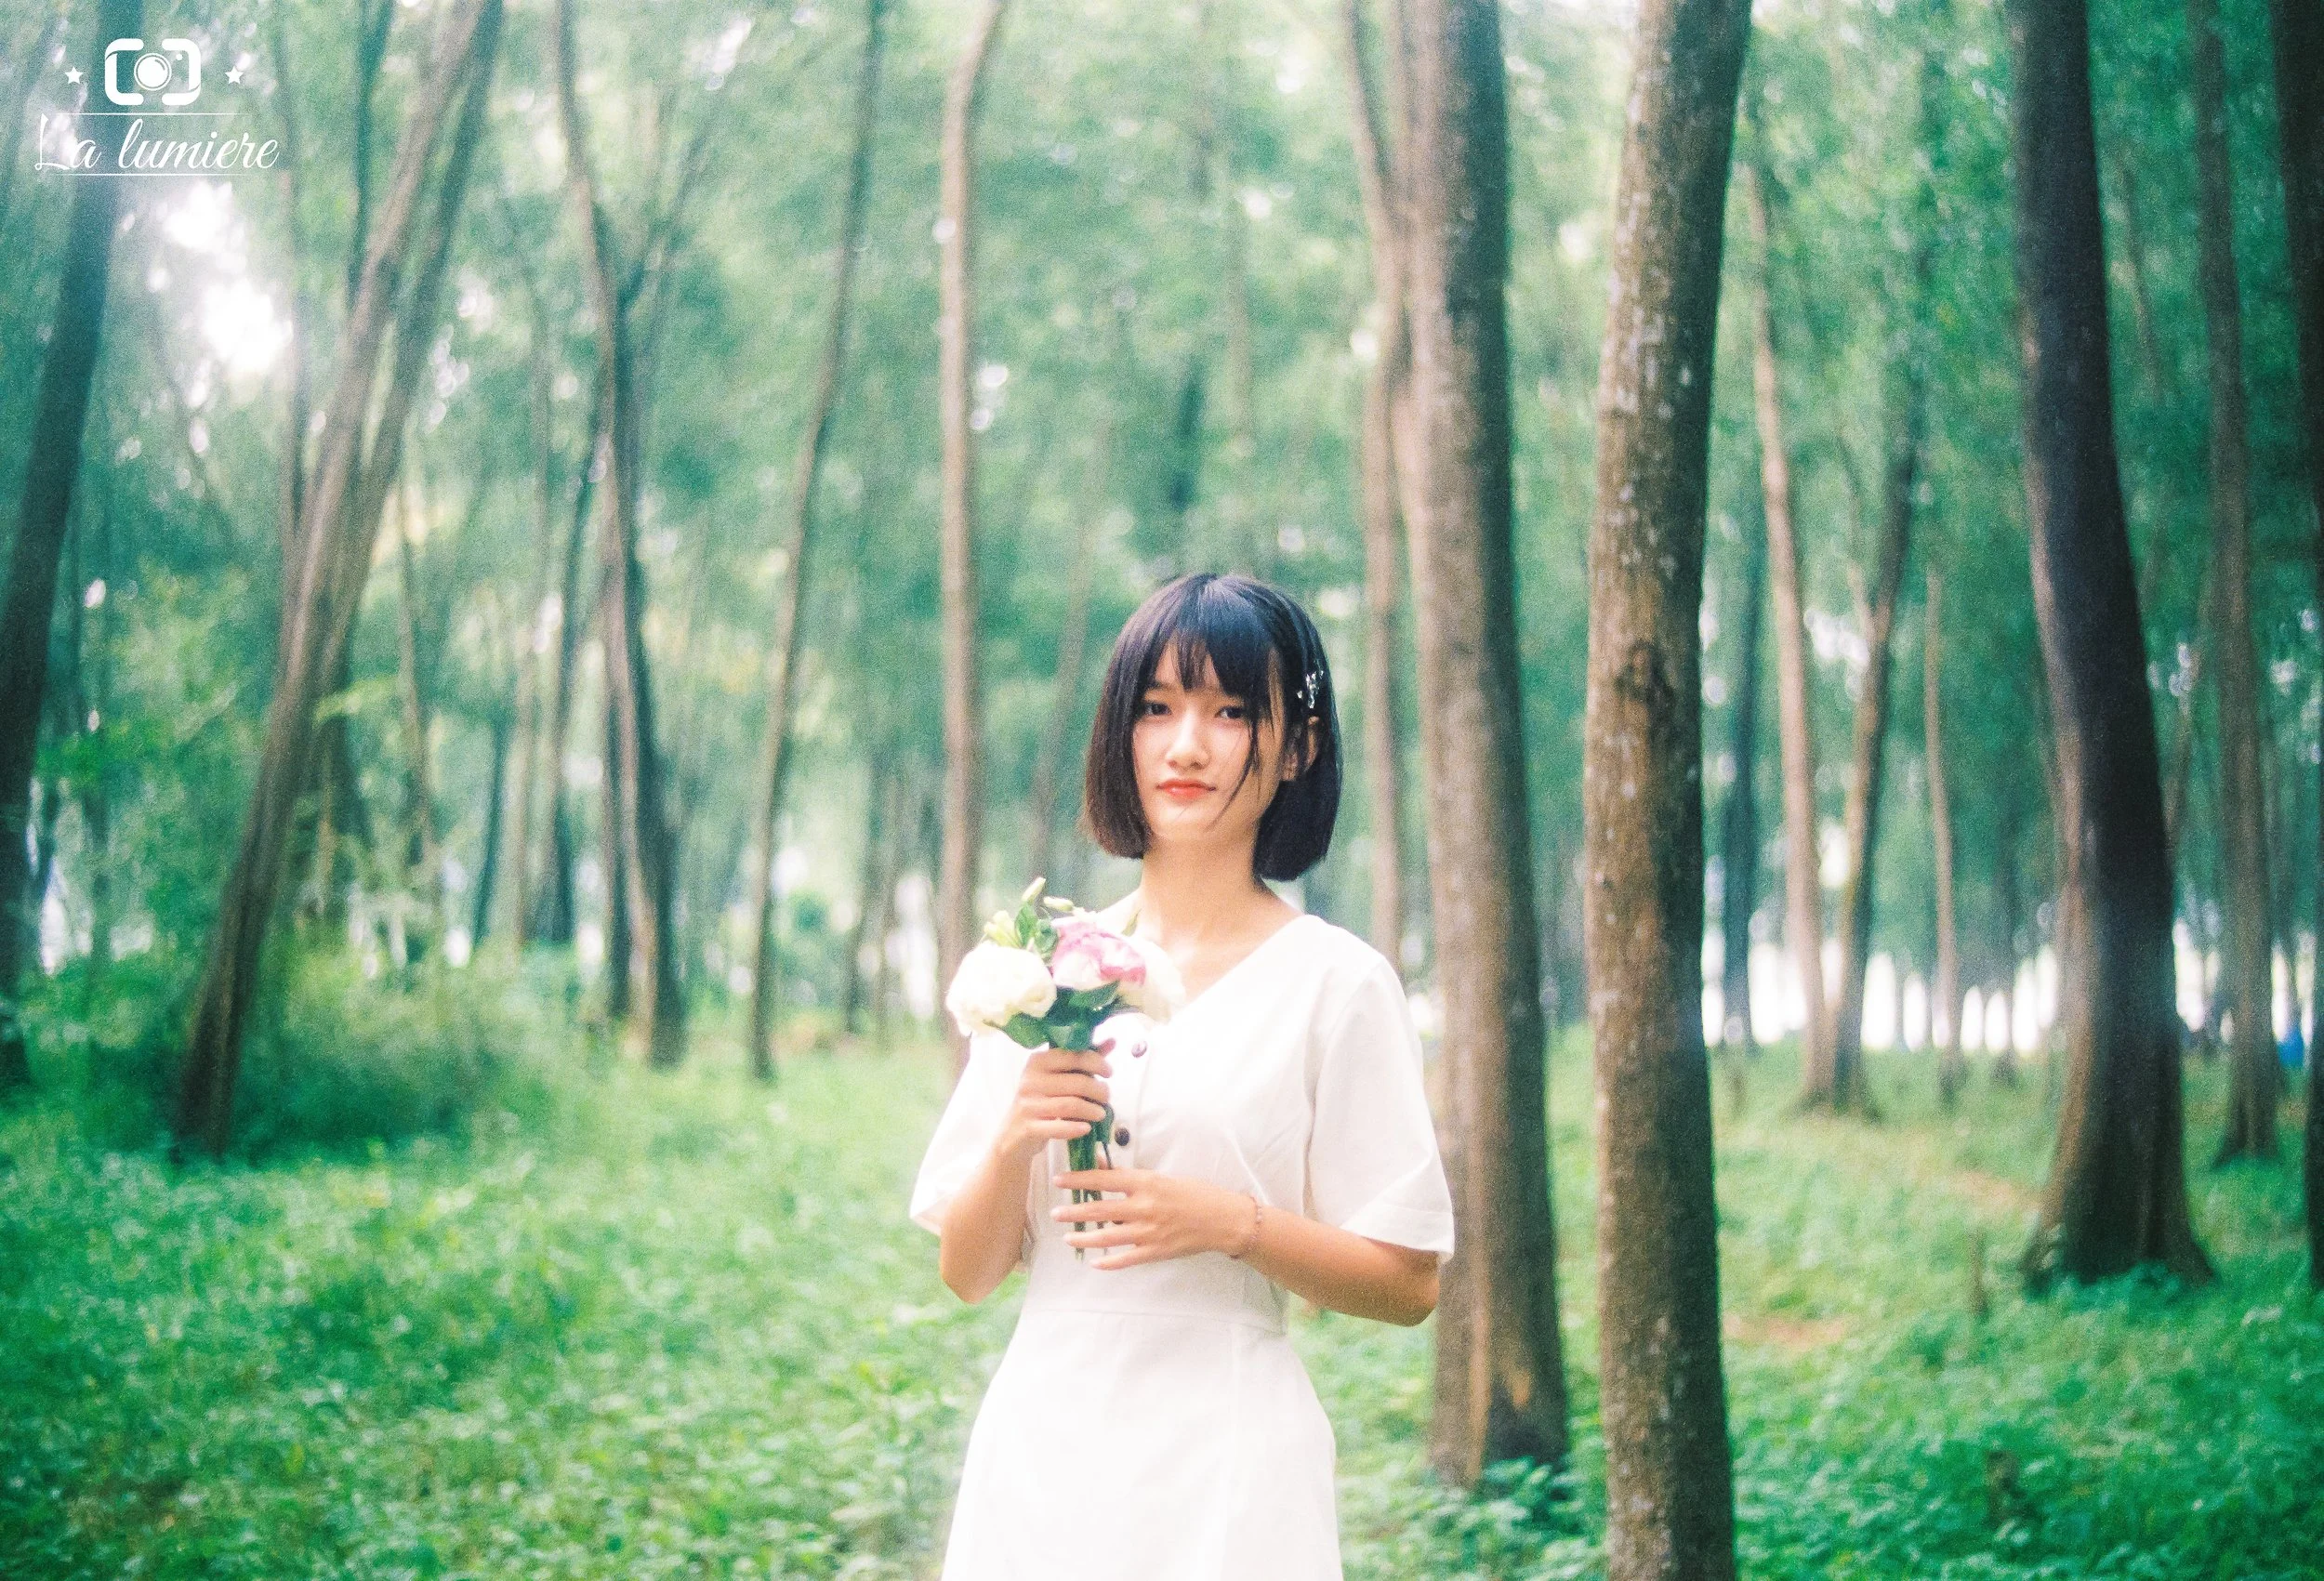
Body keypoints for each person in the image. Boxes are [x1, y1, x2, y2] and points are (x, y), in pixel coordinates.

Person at [908, 572, 1456, 1580]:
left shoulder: (1336, 983)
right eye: (1155, 708)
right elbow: (969, 1273)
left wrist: (1232, 1224)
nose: (1187, 745)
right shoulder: (1044, 967)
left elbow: (1408, 1280)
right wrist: (1014, 1136)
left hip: (1230, 1466)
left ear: (1298, 746)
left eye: (1230, 711)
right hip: (1043, 1456)